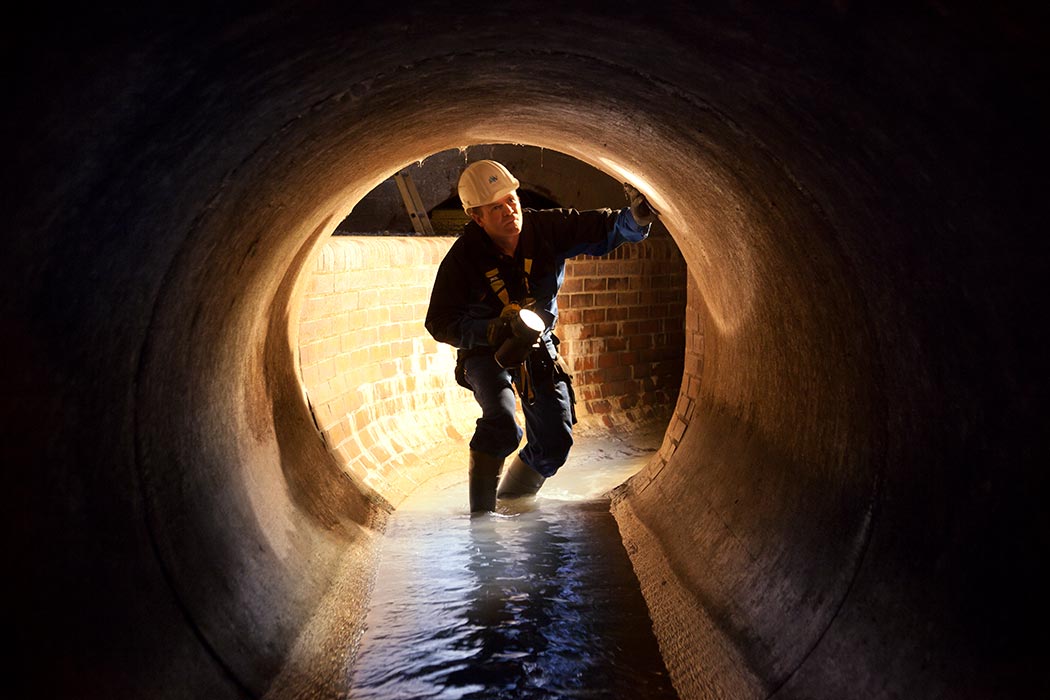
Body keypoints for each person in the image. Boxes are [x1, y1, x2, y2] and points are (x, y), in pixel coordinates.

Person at [425, 159, 657, 513]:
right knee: (502, 425)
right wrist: (488, 329)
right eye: (496, 208)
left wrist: (638, 218)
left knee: (553, 443)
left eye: (511, 200)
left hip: (536, 344)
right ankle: (482, 521)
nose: (509, 211)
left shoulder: (548, 228)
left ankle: (511, 503)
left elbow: (608, 227)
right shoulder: (463, 257)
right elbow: (439, 321)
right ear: (477, 217)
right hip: (486, 351)